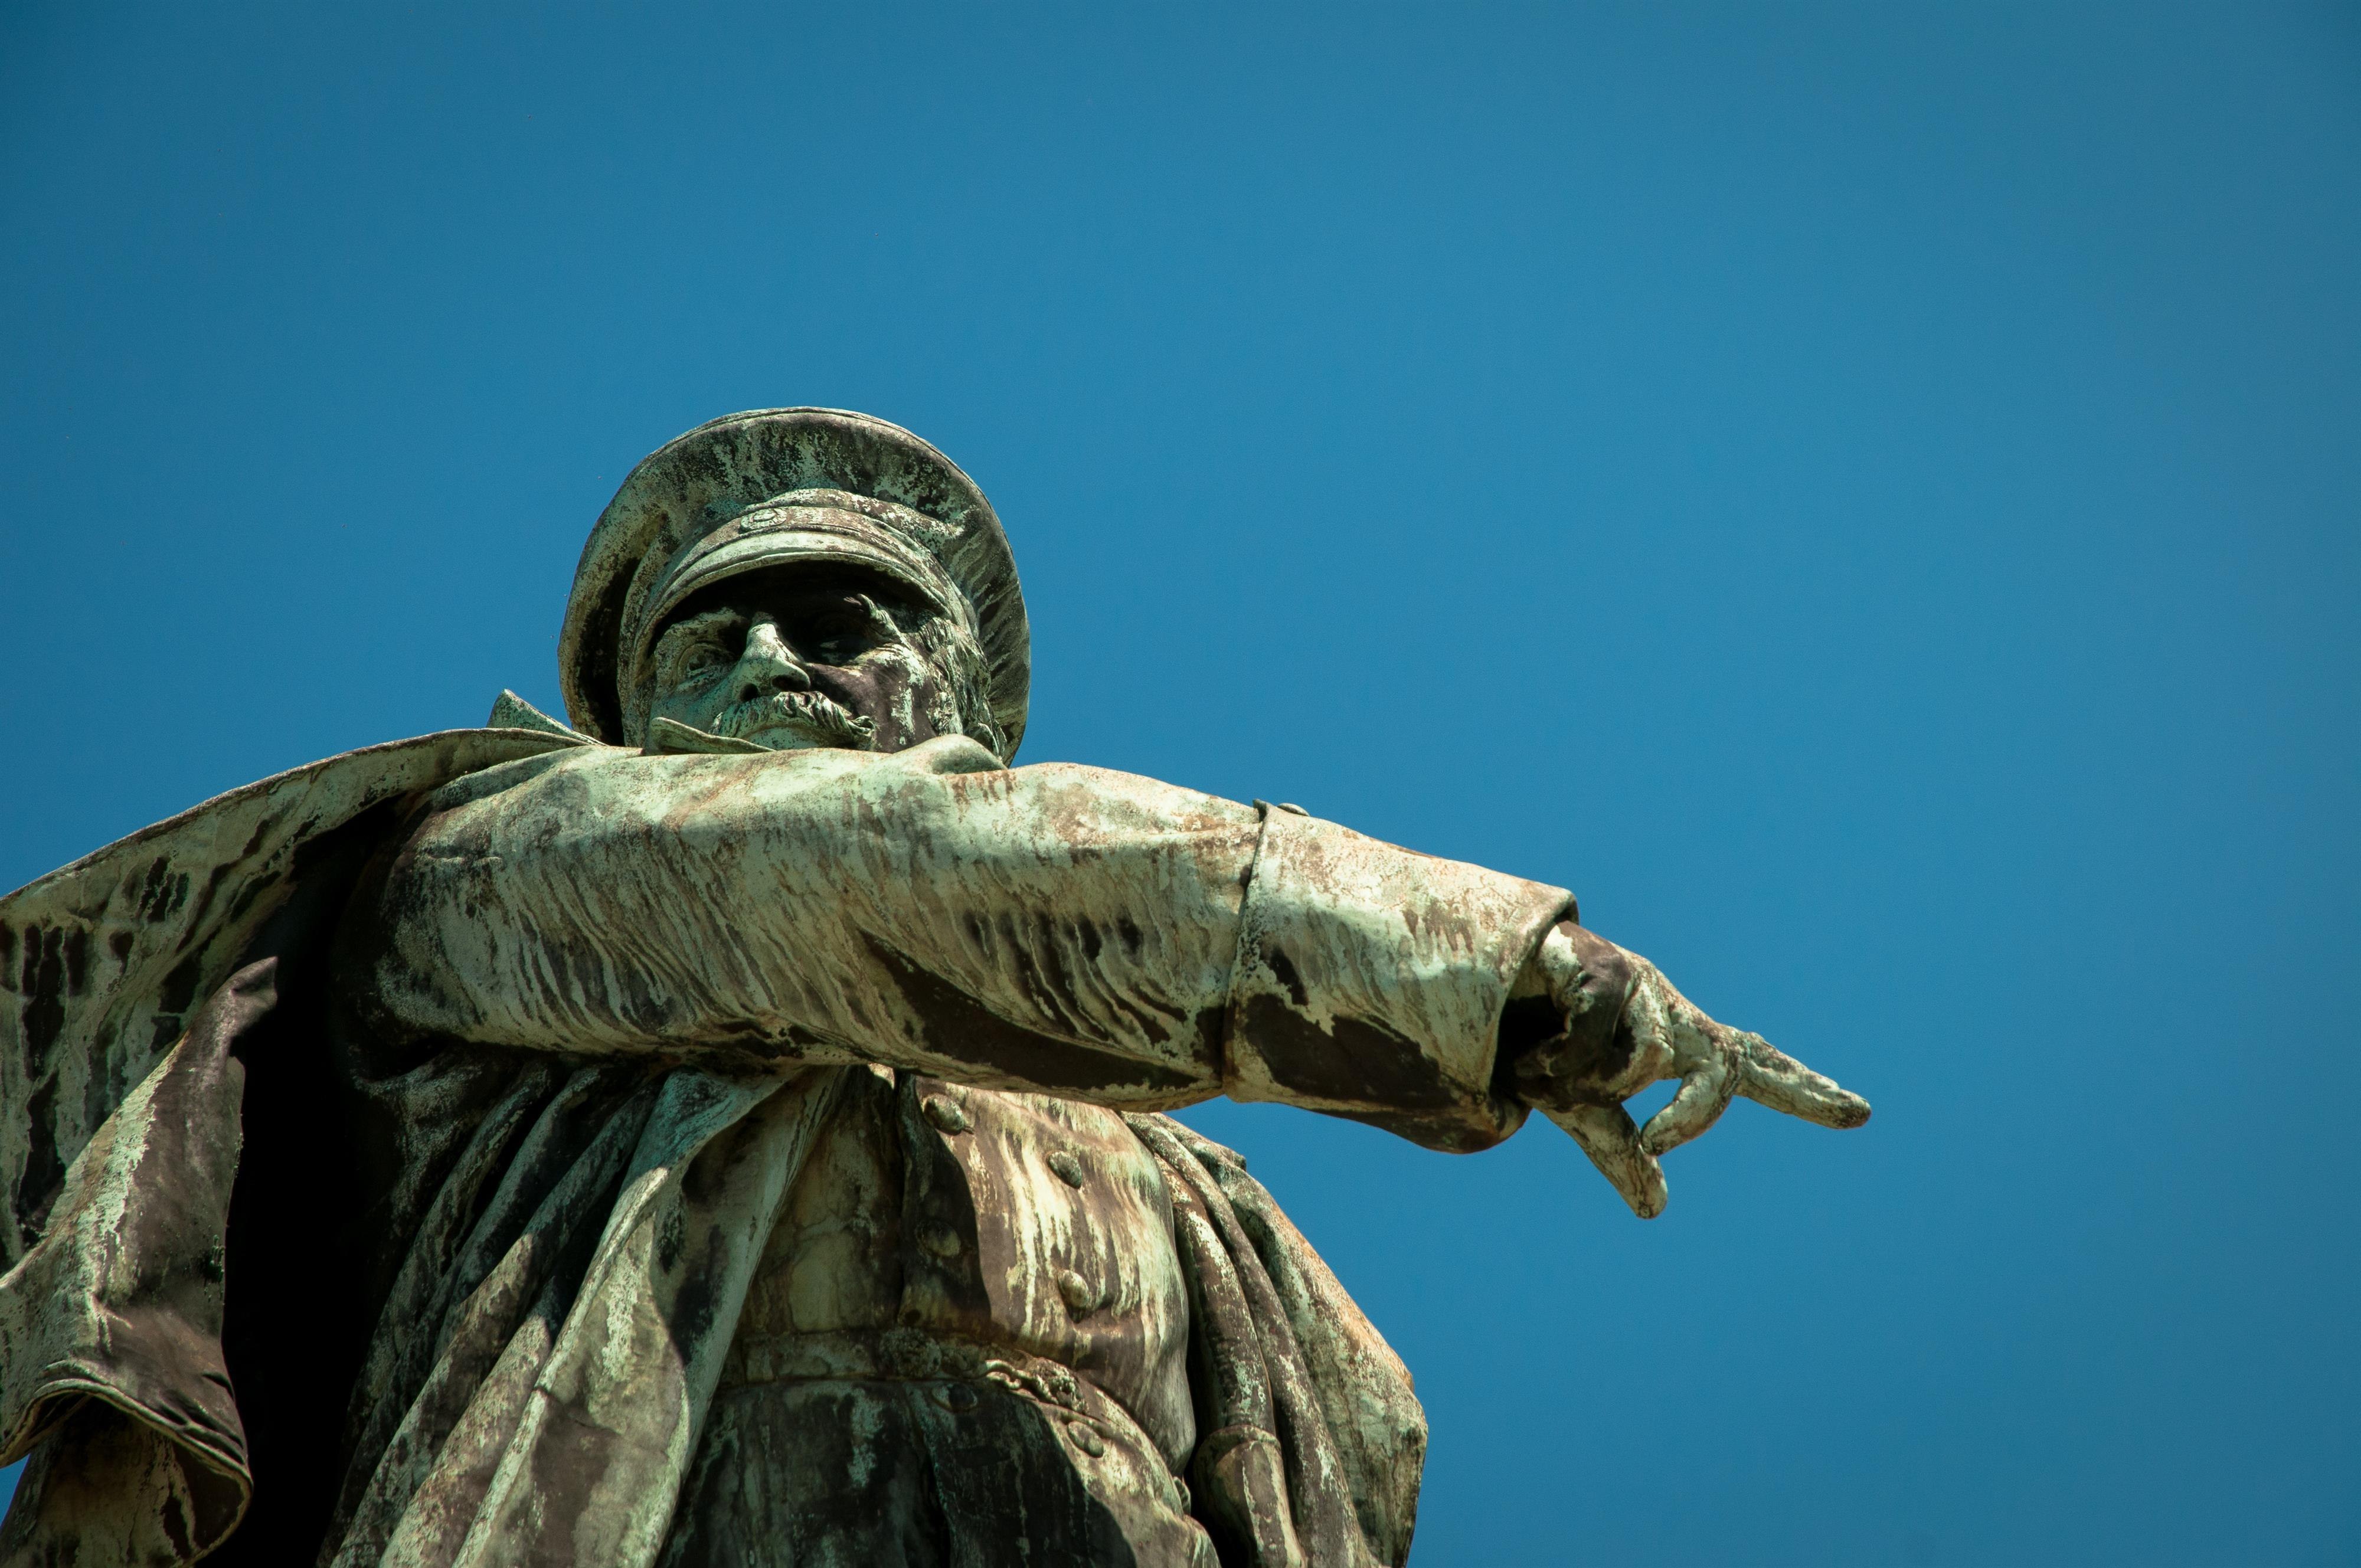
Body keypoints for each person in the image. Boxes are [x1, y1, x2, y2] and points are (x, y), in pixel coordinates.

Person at [0, 408, 1867, 1567]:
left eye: (841, 621)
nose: (771, 659)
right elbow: (876, 879)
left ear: (959, 701)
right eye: (711, 635)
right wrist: (1491, 975)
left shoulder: (1198, 1192)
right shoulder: (507, 877)